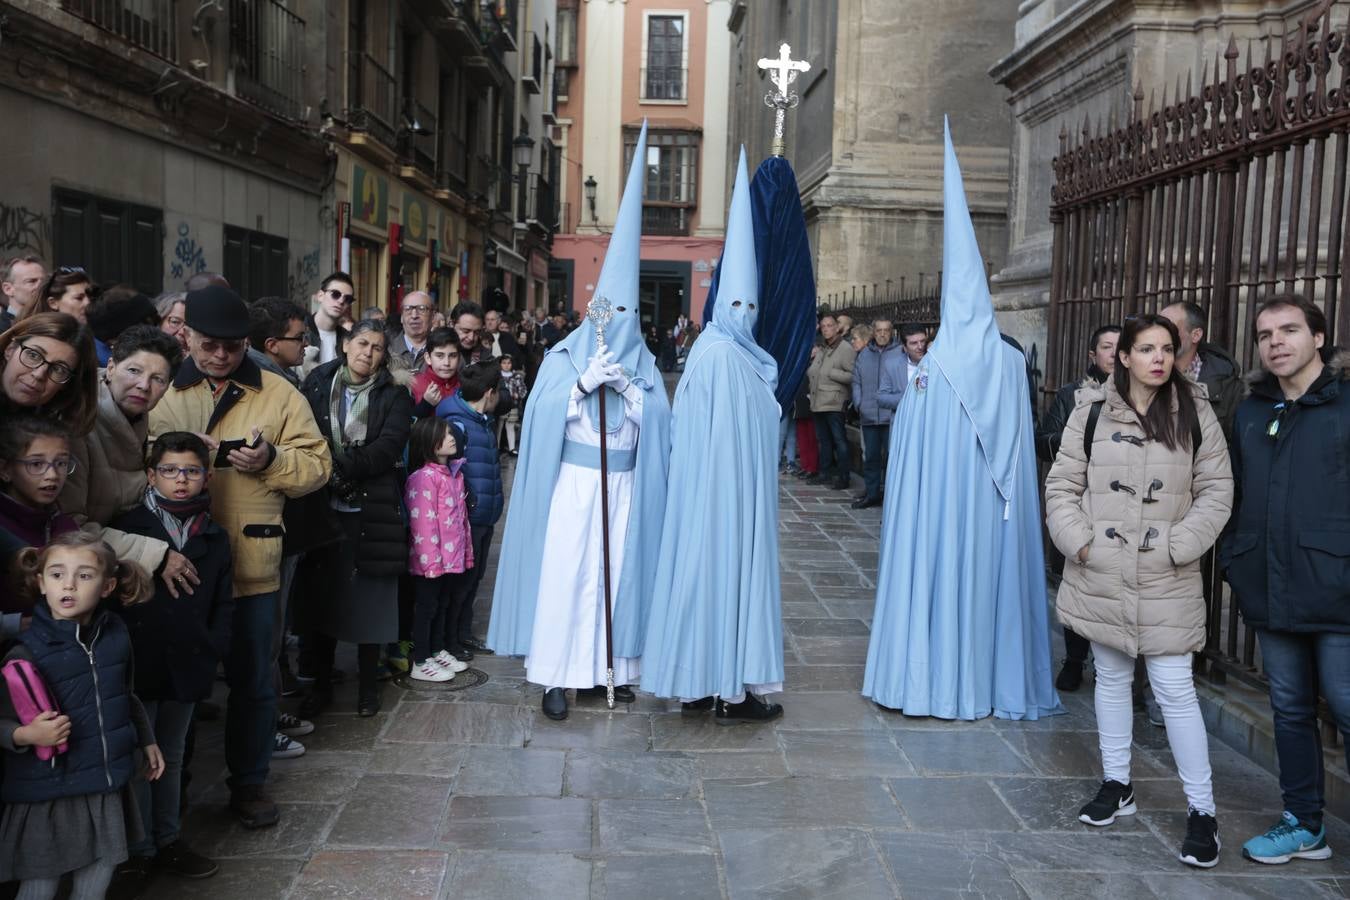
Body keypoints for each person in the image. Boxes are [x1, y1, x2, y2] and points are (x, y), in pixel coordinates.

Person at [862, 122, 1062, 724]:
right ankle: (987, 681)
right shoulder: (1004, 361)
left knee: (940, 588)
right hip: (994, 514)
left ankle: (934, 680)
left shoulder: (930, 370)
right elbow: (1018, 446)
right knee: (983, 594)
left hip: (942, 511)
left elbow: (907, 454)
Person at [488, 123, 673, 722]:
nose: (615, 321)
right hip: (573, 485)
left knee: (613, 579)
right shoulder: (567, 355)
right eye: (607, 310)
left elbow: (663, 432)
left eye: (626, 312)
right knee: (569, 573)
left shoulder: (643, 364)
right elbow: (540, 413)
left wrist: (630, 392)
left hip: (622, 489)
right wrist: (579, 388)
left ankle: (602, 670)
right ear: (594, 310)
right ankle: (556, 676)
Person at [1045, 312, 1232, 868]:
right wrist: (1081, 544)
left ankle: (1203, 811)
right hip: (1101, 571)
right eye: (1145, 348)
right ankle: (1117, 783)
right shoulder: (1091, 412)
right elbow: (1061, 485)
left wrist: (1181, 545)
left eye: (1166, 348)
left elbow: (1216, 489)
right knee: (1110, 678)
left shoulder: (1196, 411)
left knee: (1175, 690)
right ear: (1122, 356)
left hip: (1166, 574)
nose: (1158, 357)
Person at [150, 285, 331, 830]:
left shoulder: (278, 394)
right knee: (177, 686)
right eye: (210, 345)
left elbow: (317, 466)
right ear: (187, 337)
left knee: (254, 681)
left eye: (232, 346)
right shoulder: (162, 392)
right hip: (180, 566)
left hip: (254, 562)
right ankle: (169, 799)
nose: (221, 356)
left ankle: (249, 783)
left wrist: (272, 460)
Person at [641, 150, 785, 722]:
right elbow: (733, 434)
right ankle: (728, 689)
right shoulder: (726, 357)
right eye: (737, 303)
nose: (746, 312)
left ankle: (699, 683)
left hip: (705, 495)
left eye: (753, 304)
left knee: (698, 580)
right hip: (727, 498)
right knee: (724, 582)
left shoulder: (709, 350)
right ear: (721, 302)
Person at [1220, 295, 1349, 866]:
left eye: (1289, 330)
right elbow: (1238, 492)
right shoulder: (1251, 410)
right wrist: (1236, 559)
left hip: (1339, 588)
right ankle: (1304, 824)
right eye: (1265, 333)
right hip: (1271, 587)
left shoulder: (1345, 403)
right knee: (1290, 710)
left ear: (1318, 337)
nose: (1276, 341)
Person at [0, 532, 163, 900]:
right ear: (41, 582)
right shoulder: (24, 653)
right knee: (40, 886)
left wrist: (147, 738)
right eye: (57, 575)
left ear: (107, 586)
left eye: (84, 575)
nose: (68, 584)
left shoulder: (115, 635)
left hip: (104, 788)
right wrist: (26, 736)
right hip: (48, 794)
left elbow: (125, 694)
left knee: (98, 877)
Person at [110, 432, 232, 885]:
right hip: (140, 663)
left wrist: (213, 647)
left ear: (207, 476)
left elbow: (224, 601)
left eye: (191, 471)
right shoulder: (128, 528)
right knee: (143, 757)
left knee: (174, 755)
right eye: (169, 470)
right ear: (150, 474)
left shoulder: (215, 536)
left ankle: (169, 840)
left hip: (190, 662)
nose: (180, 480)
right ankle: (138, 849)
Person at [296, 321, 411, 718]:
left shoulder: (394, 393)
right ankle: (322, 686)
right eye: (362, 343)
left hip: (373, 509)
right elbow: (304, 432)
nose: (369, 352)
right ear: (346, 344)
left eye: (378, 347)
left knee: (371, 604)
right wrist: (329, 470)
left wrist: (339, 465)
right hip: (323, 506)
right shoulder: (318, 382)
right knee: (324, 599)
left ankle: (367, 689)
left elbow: (388, 447)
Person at [61, 326, 190, 590]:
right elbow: (69, 525)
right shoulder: (78, 425)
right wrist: (156, 554)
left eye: (158, 379)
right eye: (133, 371)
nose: (144, 385)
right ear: (110, 367)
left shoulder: (137, 418)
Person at [1034, 323, 1119, 692]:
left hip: (1117, 504)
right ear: (1092, 355)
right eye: (1106, 347)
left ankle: (1109, 665)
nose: (1113, 353)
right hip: (1080, 501)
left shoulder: (1142, 396)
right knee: (1076, 581)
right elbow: (1043, 441)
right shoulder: (1072, 394)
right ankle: (1074, 659)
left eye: (1120, 346)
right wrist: (1079, 441)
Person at [435, 362, 504, 661]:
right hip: (467, 517)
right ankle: (449, 640)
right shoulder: (457, 421)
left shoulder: (482, 419)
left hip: (484, 515)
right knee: (460, 582)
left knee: (474, 579)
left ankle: (462, 633)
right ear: (489, 393)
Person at [404, 416, 473, 683]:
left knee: (442, 604)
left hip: (450, 559)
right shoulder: (423, 478)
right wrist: (431, 563)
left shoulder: (454, 473)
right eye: (445, 435)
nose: (452, 437)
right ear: (429, 443)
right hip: (431, 563)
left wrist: (464, 552)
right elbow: (423, 525)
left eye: (451, 433)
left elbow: (461, 520)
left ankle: (435, 649)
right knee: (426, 607)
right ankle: (420, 660)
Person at [0, 417, 81, 609]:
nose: (52, 475)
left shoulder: (65, 526)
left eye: (61, 463)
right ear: (5, 470)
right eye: (36, 464)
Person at [0, 312, 100, 436]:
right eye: (33, 355)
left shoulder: (57, 427)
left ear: (67, 384)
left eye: (58, 369)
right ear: (10, 350)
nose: (38, 374)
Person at [1159, 300, 1243, 434]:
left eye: (1168, 327)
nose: (1159, 333)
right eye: (1158, 326)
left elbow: (1232, 443)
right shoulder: (1143, 373)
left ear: (1196, 335)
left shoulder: (1228, 386)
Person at [851, 318, 903, 509]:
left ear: (892, 332)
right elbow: (856, 380)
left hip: (892, 417)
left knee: (892, 458)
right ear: (873, 332)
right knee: (871, 457)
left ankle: (891, 497)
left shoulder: (899, 353)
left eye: (886, 330)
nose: (882, 334)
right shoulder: (864, 354)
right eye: (879, 330)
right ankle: (872, 494)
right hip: (869, 415)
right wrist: (859, 403)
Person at [805, 312, 856, 490]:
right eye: (823, 326)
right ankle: (825, 473)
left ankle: (844, 477)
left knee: (839, 440)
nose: (826, 329)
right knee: (824, 440)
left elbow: (852, 375)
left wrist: (832, 373)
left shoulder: (845, 348)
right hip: (819, 401)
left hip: (834, 402)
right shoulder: (824, 348)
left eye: (830, 326)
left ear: (837, 327)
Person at [248, 297, 308, 387]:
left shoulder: (283, 376)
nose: (306, 344)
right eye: (299, 338)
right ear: (272, 345)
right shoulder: (265, 387)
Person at [306, 272, 355, 371]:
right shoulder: (300, 332)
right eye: (335, 294)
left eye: (347, 299)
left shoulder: (348, 339)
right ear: (320, 296)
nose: (341, 301)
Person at [411, 327, 462, 418]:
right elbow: (406, 424)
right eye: (440, 356)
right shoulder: (413, 385)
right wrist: (425, 404)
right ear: (428, 358)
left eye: (453, 356)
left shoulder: (465, 385)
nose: (447, 363)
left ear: (459, 358)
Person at [23, 266, 93, 325]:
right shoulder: (38, 339)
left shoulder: (95, 337)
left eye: (90, 297)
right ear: (53, 303)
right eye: (79, 298)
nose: (88, 303)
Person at [388, 291, 434, 375]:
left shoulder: (445, 350)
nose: (414, 315)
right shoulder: (387, 350)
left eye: (421, 309)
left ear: (432, 316)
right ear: (402, 317)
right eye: (408, 309)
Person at [1, 254, 47, 331]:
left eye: (44, 281)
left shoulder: (55, 323)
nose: (41, 286)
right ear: (8, 289)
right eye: (31, 281)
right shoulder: (3, 329)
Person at [496, 354, 527, 455]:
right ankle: (497, 447)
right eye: (504, 363)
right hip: (499, 405)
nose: (506, 365)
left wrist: (518, 395)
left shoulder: (516, 376)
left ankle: (512, 448)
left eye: (509, 363)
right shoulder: (497, 376)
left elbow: (523, 389)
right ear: (500, 364)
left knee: (510, 426)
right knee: (498, 427)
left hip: (513, 406)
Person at [452, 301, 490, 365]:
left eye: (477, 332)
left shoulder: (487, 360)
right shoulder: (435, 351)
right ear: (452, 324)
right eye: (466, 331)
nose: (471, 338)